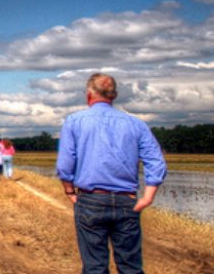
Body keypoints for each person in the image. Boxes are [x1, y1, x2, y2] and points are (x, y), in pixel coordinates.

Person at [56, 73, 167, 274]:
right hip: (127, 200)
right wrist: (148, 197)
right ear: (113, 95)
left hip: (91, 199)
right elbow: (156, 161)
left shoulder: (74, 121)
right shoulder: (136, 124)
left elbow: (65, 164)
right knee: (130, 266)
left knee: (95, 266)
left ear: (89, 95)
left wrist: (69, 191)